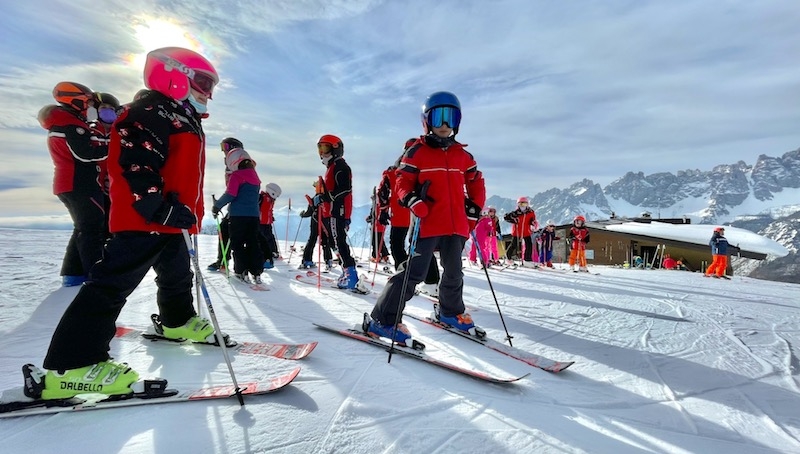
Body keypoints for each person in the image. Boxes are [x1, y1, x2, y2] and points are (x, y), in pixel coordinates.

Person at [35, 47, 220, 400]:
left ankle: (177, 321)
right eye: (202, 81)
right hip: (145, 217)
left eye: (211, 86)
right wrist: (156, 206)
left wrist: (183, 212)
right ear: (173, 74)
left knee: (179, 275)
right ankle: (72, 365)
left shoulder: (181, 115)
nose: (207, 92)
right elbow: (135, 163)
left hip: (173, 218)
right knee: (112, 283)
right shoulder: (147, 112)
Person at [366, 91, 486, 344]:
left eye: (451, 118)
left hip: (456, 226)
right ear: (427, 121)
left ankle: (450, 312)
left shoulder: (462, 155)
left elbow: (476, 182)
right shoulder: (416, 152)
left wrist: (474, 210)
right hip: (428, 222)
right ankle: (383, 319)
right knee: (414, 273)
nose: (444, 124)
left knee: (454, 272)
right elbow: (402, 181)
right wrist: (412, 200)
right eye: (439, 117)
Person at [38, 82, 107, 287]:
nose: (91, 107)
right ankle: (95, 275)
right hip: (79, 183)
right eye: (89, 102)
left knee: (83, 227)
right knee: (92, 228)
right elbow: (84, 154)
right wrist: (114, 150)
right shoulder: (71, 125)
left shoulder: (67, 122)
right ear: (75, 100)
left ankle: (74, 274)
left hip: (71, 183)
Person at [313, 134, 360, 290]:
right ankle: (347, 270)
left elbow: (345, 188)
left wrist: (325, 197)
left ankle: (351, 275)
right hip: (334, 210)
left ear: (336, 149)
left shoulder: (340, 166)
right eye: (319, 148)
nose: (322, 152)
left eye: (325, 147)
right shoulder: (332, 167)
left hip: (338, 211)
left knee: (338, 242)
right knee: (336, 242)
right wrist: (321, 195)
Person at [212, 148, 264, 284]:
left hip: (238, 216)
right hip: (253, 216)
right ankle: (257, 272)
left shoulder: (237, 176)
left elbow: (230, 194)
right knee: (253, 242)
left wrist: (217, 205)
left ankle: (242, 271)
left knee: (238, 243)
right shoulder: (255, 177)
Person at [207, 137, 242, 272]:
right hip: (236, 205)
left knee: (229, 231)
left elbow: (233, 190)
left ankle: (224, 261)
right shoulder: (232, 164)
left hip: (238, 206)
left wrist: (220, 204)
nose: (223, 151)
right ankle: (224, 261)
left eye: (225, 147)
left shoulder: (236, 164)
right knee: (226, 230)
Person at [299, 182, 333, 269]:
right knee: (325, 241)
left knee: (312, 240)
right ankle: (328, 260)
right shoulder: (328, 198)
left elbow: (309, 212)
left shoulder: (314, 198)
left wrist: (303, 214)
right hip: (325, 223)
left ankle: (307, 260)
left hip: (315, 222)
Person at [503, 197, 538, 267]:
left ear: (527, 204)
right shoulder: (516, 213)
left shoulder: (531, 212)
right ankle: (508, 258)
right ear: (518, 205)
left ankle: (527, 260)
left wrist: (533, 223)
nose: (522, 206)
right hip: (517, 231)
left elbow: (532, 220)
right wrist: (513, 220)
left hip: (526, 231)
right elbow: (506, 217)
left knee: (529, 245)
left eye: (524, 204)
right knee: (514, 245)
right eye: (520, 204)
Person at [258, 182, 282, 269]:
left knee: (270, 237)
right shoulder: (262, 197)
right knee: (263, 239)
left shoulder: (271, 200)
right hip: (260, 223)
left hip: (267, 222)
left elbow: (269, 210)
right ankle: (265, 254)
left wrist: (271, 217)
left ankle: (273, 251)